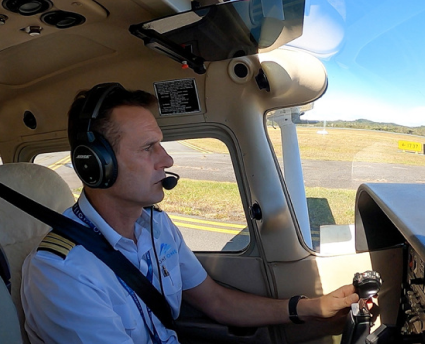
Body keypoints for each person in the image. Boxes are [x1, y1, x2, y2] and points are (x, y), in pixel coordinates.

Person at [21, 83, 361, 343]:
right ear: (95, 165)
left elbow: (215, 301)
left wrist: (312, 308)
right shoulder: (61, 272)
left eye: (161, 144)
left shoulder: (157, 226)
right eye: (147, 148)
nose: (167, 160)